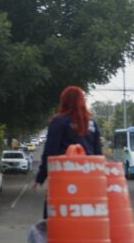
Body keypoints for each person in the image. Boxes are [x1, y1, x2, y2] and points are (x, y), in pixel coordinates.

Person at [33, 86, 102, 217]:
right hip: (89, 179)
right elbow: (98, 155)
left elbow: (50, 152)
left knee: (55, 218)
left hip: (64, 177)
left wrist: (41, 177)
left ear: (63, 101)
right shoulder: (92, 123)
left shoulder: (59, 121)